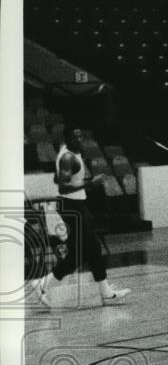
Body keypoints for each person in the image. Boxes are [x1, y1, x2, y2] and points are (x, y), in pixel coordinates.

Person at [30, 127, 131, 308]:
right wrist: (90, 184)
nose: (79, 139)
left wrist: (72, 179)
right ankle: (43, 284)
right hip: (71, 206)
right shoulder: (68, 158)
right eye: (74, 136)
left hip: (78, 205)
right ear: (67, 138)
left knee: (88, 251)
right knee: (85, 251)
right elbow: (61, 188)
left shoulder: (68, 154)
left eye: (80, 135)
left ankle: (104, 291)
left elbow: (56, 179)